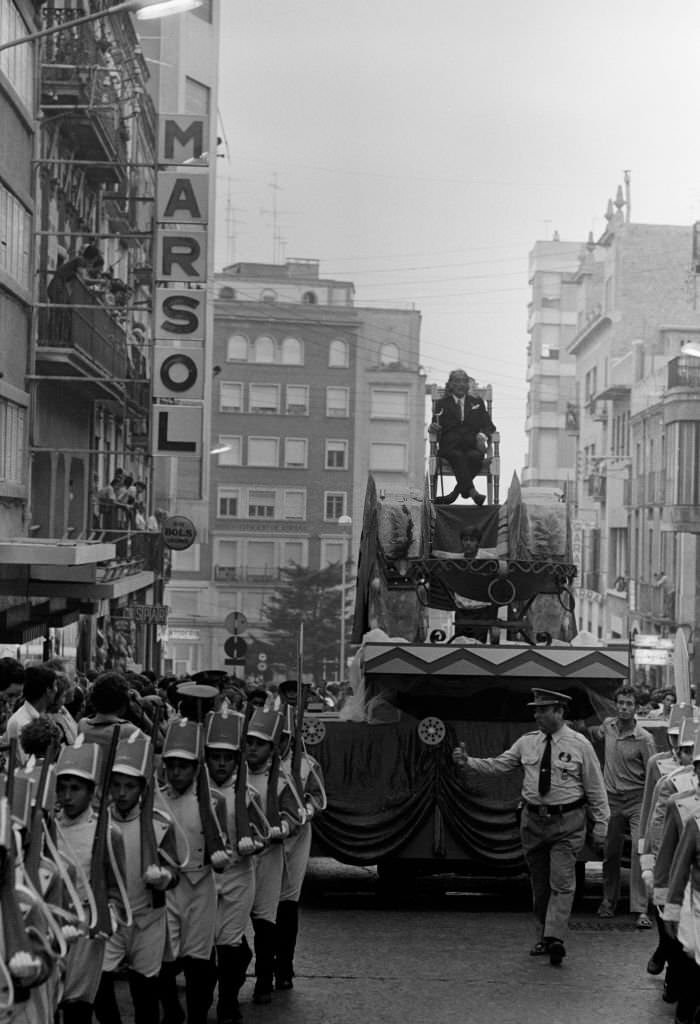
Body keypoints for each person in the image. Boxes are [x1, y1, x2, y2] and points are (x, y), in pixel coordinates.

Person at [452, 688, 609, 966]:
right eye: (535, 710)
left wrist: (601, 825)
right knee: (540, 885)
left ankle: (555, 937)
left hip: (567, 823)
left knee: (562, 882)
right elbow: (499, 765)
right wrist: (469, 763)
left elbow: (596, 788)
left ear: (559, 711)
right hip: (533, 823)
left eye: (543, 710)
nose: (537, 715)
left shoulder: (580, 745)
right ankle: (543, 936)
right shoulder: (527, 742)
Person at [94, 730, 179, 1024]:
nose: (121, 793)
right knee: (100, 984)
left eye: (129, 786)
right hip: (112, 919)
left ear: (143, 788)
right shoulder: (99, 823)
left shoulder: (160, 824)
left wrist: (165, 878)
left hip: (148, 919)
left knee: (145, 993)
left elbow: (175, 872)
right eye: (116, 785)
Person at [158, 717, 231, 1024]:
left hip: (201, 885)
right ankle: (171, 1011)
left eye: (184, 766)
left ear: (196, 768)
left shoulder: (213, 801)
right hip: (168, 886)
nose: (177, 773)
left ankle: (198, 1015)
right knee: (163, 957)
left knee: (199, 959)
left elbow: (221, 840)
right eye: (171, 766)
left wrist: (221, 856)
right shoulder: (155, 800)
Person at [204, 708, 268, 1024]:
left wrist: (252, 843)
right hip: (202, 879)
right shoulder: (194, 793)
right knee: (201, 947)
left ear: (236, 760)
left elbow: (263, 834)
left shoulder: (248, 795)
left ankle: (228, 1003)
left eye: (227, 758)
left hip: (238, 875)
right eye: (215, 757)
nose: (221, 763)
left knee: (228, 944)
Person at [586, 685, 657, 928]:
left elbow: (652, 774)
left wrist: (651, 806)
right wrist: (580, 728)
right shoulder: (608, 726)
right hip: (611, 800)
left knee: (639, 852)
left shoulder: (644, 738)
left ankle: (641, 909)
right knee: (610, 852)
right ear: (616, 705)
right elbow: (595, 733)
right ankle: (608, 901)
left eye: (629, 704)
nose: (624, 708)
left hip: (637, 800)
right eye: (621, 703)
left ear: (636, 708)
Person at [275, 681, 327, 990]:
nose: (278, 744)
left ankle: (284, 966)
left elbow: (317, 797)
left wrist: (307, 808)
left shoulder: (307, 765)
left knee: (287, 905)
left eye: (283, 738)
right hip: (264, 846)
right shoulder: (253, 766)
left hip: (295, 843)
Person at [431, 369, 496, 506]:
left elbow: (490, 426)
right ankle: (471, 491)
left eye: (463, 381)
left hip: (471, 445)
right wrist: (433, 427)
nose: (460, 384)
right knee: (458, 456)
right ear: (450, 384)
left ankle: (453, 495)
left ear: (467, 385)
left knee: (476, 457)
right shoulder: (442, 404)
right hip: (450, 447)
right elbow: (435, 424)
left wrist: (482, 435)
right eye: (457, 381)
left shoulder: (477, 402)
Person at [4, 665, 58, 765]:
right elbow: (27, 763)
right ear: (48, 690)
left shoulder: (44, 715)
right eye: (55, 685)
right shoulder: (19, 722)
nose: (56, 690)